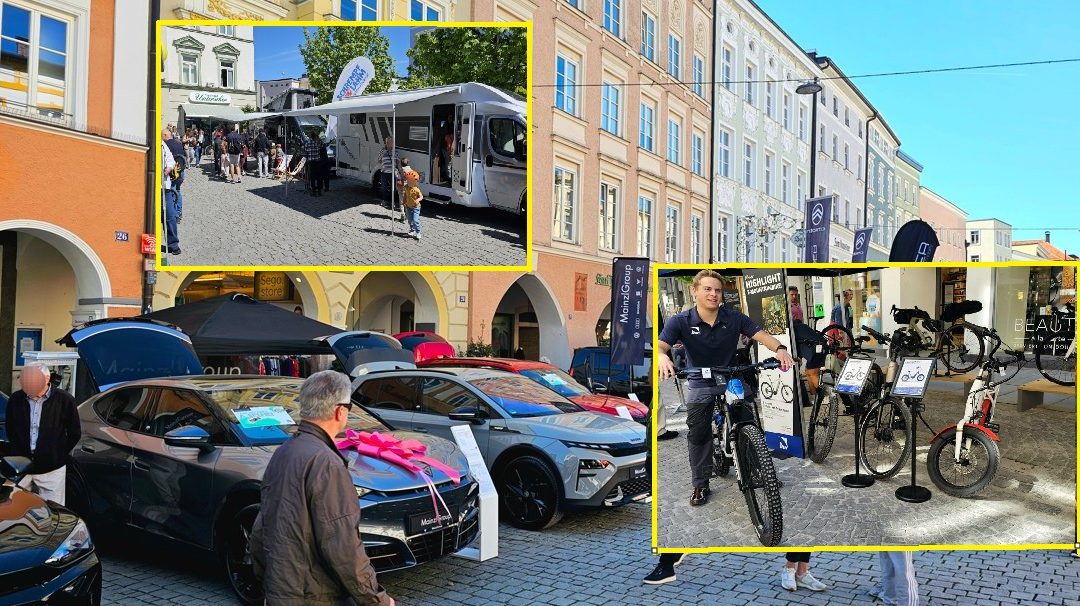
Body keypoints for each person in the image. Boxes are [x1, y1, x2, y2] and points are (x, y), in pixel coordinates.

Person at [249, 371, 394, 606]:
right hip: (316, 595)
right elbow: (343, 547)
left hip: (281, 588)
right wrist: (376, 599)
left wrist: (267, 579)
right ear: (340, 411)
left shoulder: (283, 452)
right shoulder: (326, 463)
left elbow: (261, 528)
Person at [657, 269, 794, 508]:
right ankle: (700, 483)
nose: (713, 294)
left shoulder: (734, 318)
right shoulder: (680, 321)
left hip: (731, 377)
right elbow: (660, 346)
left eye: (717, 290)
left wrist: (780, 348)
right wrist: (661, 357)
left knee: (749, 423)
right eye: (707, 289)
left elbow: (761, 335)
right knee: (698, 432)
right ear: (695, 290)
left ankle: (755, 469)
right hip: (700, 380)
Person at [4, 363, 81, 505]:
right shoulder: (16, 399)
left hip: (52, 469)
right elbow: (11, 428)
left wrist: (56, 453)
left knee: (53, 511)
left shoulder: (64, 400)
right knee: (16, 509)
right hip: (22, 467)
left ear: (47, 379)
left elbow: (74, 433)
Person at [161, 128, 181, 255]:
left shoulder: (163, 145)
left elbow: (171, 160)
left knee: (170, 216)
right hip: (151, 186)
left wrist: (168, 168)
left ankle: (173, 244)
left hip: (165, 187)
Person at [163, 128, 186, 223]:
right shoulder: (179, 143)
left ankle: (173, 214)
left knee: (171, 192)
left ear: (165, 136)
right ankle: (178, 212)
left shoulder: (166, 145)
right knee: (177, 191)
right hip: (181, 172)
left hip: (172, 173)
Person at [402, 169, 423, 240]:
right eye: (408, 180)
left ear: (415, 182)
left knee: (415, 220)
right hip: (408, 206)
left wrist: (418, 200)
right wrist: (404, 201)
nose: (409, 182)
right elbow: (405, 194)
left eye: (411, 181)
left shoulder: (416, 189)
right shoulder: (406, 187)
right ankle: (412, 230)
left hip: (416, 207)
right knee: (410, 220)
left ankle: (418, 232)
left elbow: (421, 196)